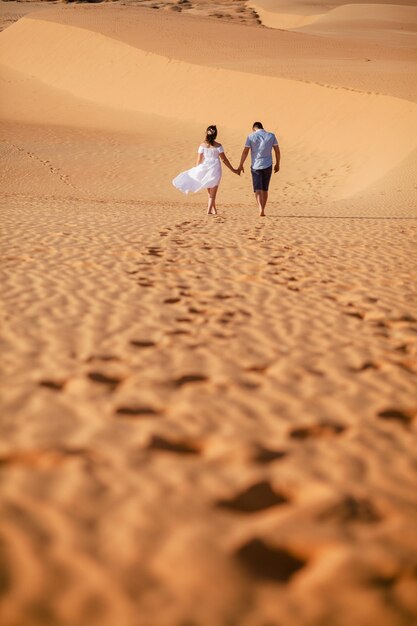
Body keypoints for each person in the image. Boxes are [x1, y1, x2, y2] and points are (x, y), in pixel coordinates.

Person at [172, 125, 238, 215]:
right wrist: (233, 169)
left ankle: (214, 211)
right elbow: (224, 160)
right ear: (215, 135)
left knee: (210, 192)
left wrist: (198, 170)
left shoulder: (202, 146)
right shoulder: (218, 146)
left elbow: (199, 160)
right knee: (213, 192)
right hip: (215, 169)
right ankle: (209, 212)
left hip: (205, 168)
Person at [238, 122, 280, 217]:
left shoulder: (251, 136)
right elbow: (277, 150)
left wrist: (241, 164)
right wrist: (278, 163)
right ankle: (263, 209)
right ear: (262, 127)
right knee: (265, 189)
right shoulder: (271, 135)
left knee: (258, 189)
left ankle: (260, 208)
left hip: (256, 166)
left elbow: (245, 152)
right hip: (268, 164)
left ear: (254, 128)